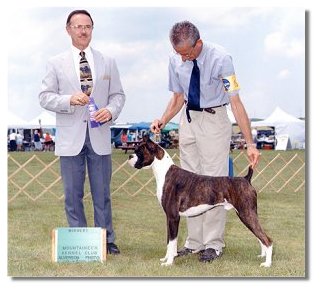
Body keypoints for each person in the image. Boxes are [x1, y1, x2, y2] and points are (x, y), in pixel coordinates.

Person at [150, 21, 260, 263]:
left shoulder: (222, 59)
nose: (183, 58)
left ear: (198, 43)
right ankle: (193, 242)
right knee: (187, 185)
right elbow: (178, 97)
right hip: (187, 120)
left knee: (213, 184)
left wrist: (250, 143)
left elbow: (236, 103)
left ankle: (213, 244)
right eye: (179, 54)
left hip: (214, 120)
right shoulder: (175, 59)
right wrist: (163, 118)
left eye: (187, 53)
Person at [39, 10, 125, 255]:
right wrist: (68, 99)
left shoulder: (108, 61)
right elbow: (45, 97)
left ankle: (106, 240)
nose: (83, 31)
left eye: (87, 26)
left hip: (99, 136)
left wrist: (109, 111)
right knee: (72, 194)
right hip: (69, 138)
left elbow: (118, 95)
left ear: (92, 29)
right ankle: (79, 241)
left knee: (102, 193)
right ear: (68, 29)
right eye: (78, 26)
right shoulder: (55, 63)